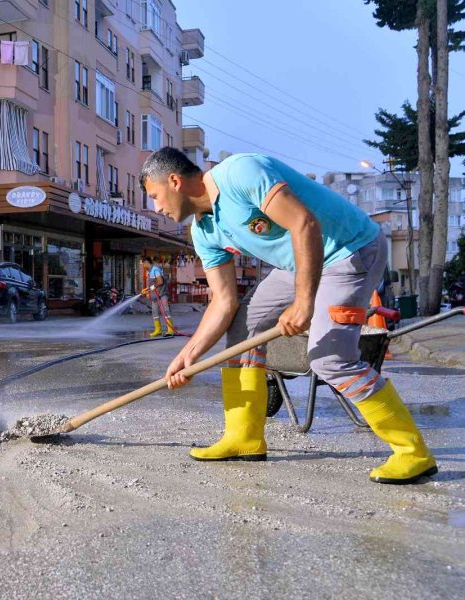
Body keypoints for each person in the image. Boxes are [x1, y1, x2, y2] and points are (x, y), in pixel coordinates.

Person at [140, 147, 437, 485]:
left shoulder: (240, 173)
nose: (157, 208)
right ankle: (244, 438)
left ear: (174, 181)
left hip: (349, 250)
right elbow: (223, 302)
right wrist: (188, 356)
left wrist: (303, 302)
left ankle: (413, 452)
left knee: (330, 358)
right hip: (299, 262)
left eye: (154, 196)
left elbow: (303, 222)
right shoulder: (203, 232)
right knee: (243, 331)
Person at [141, 256, 172, 337]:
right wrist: (147, 291)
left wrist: (152, 287)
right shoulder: (150, 272)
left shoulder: (155, 269)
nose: (143, 267)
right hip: (155, 296)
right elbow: (151, 284)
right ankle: (158, 330)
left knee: (165, 311)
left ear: (146, 263)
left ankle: (170, 330)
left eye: (143, 264)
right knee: (155, 312)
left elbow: (160, 281)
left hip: (162, 294)